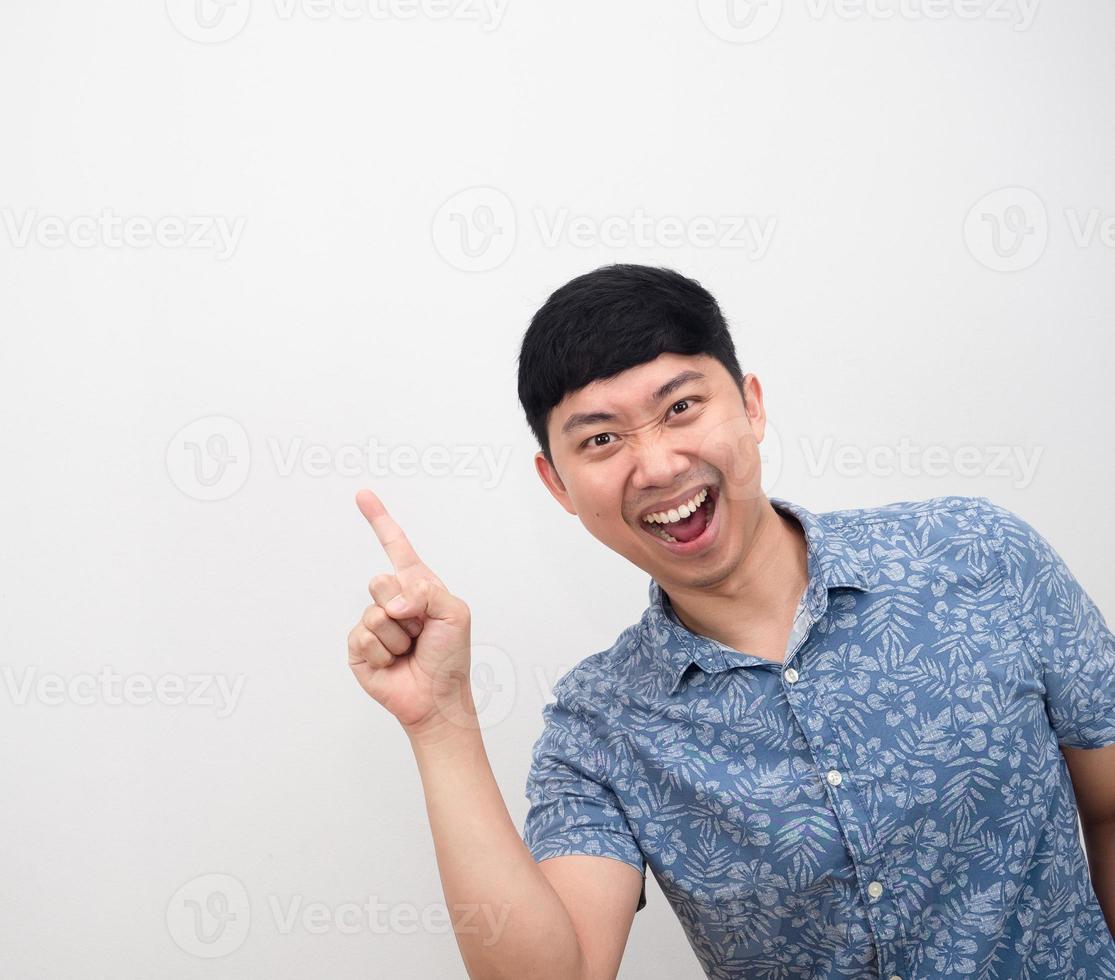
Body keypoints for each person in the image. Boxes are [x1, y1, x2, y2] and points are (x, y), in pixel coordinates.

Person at [346, 263, 1115, 979]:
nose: (656, 466)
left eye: (680, 407)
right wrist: (441, 724)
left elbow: (1110, 804)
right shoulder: (599, 726)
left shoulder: (975, 555)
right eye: (602, 439)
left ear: (749, 404)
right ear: (557, 483)